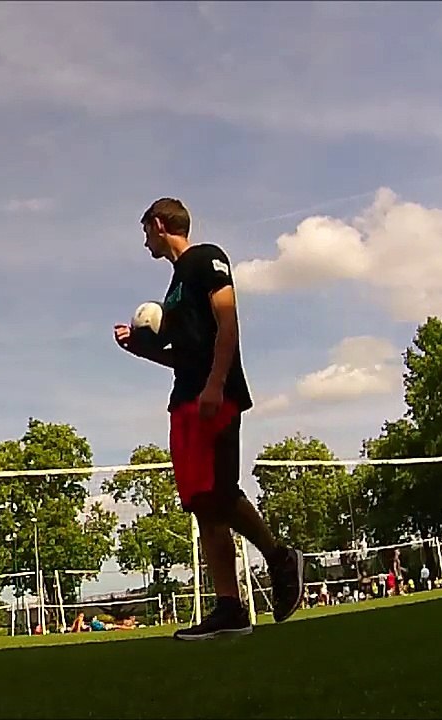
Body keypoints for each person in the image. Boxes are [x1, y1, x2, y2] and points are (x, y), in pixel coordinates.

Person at [113, 197, 304, 640]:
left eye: (146, 232)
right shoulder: (175, 289)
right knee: (202, 504)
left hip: (213, 397)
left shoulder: (206, 258)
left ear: (160, 225)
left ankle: (279, 557)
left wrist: (217, 382)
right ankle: (229, 608)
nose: (145, 243)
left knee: (220, 492)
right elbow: (181, 356)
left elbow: (228, 320)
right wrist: (140, 348)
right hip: (184, 399)